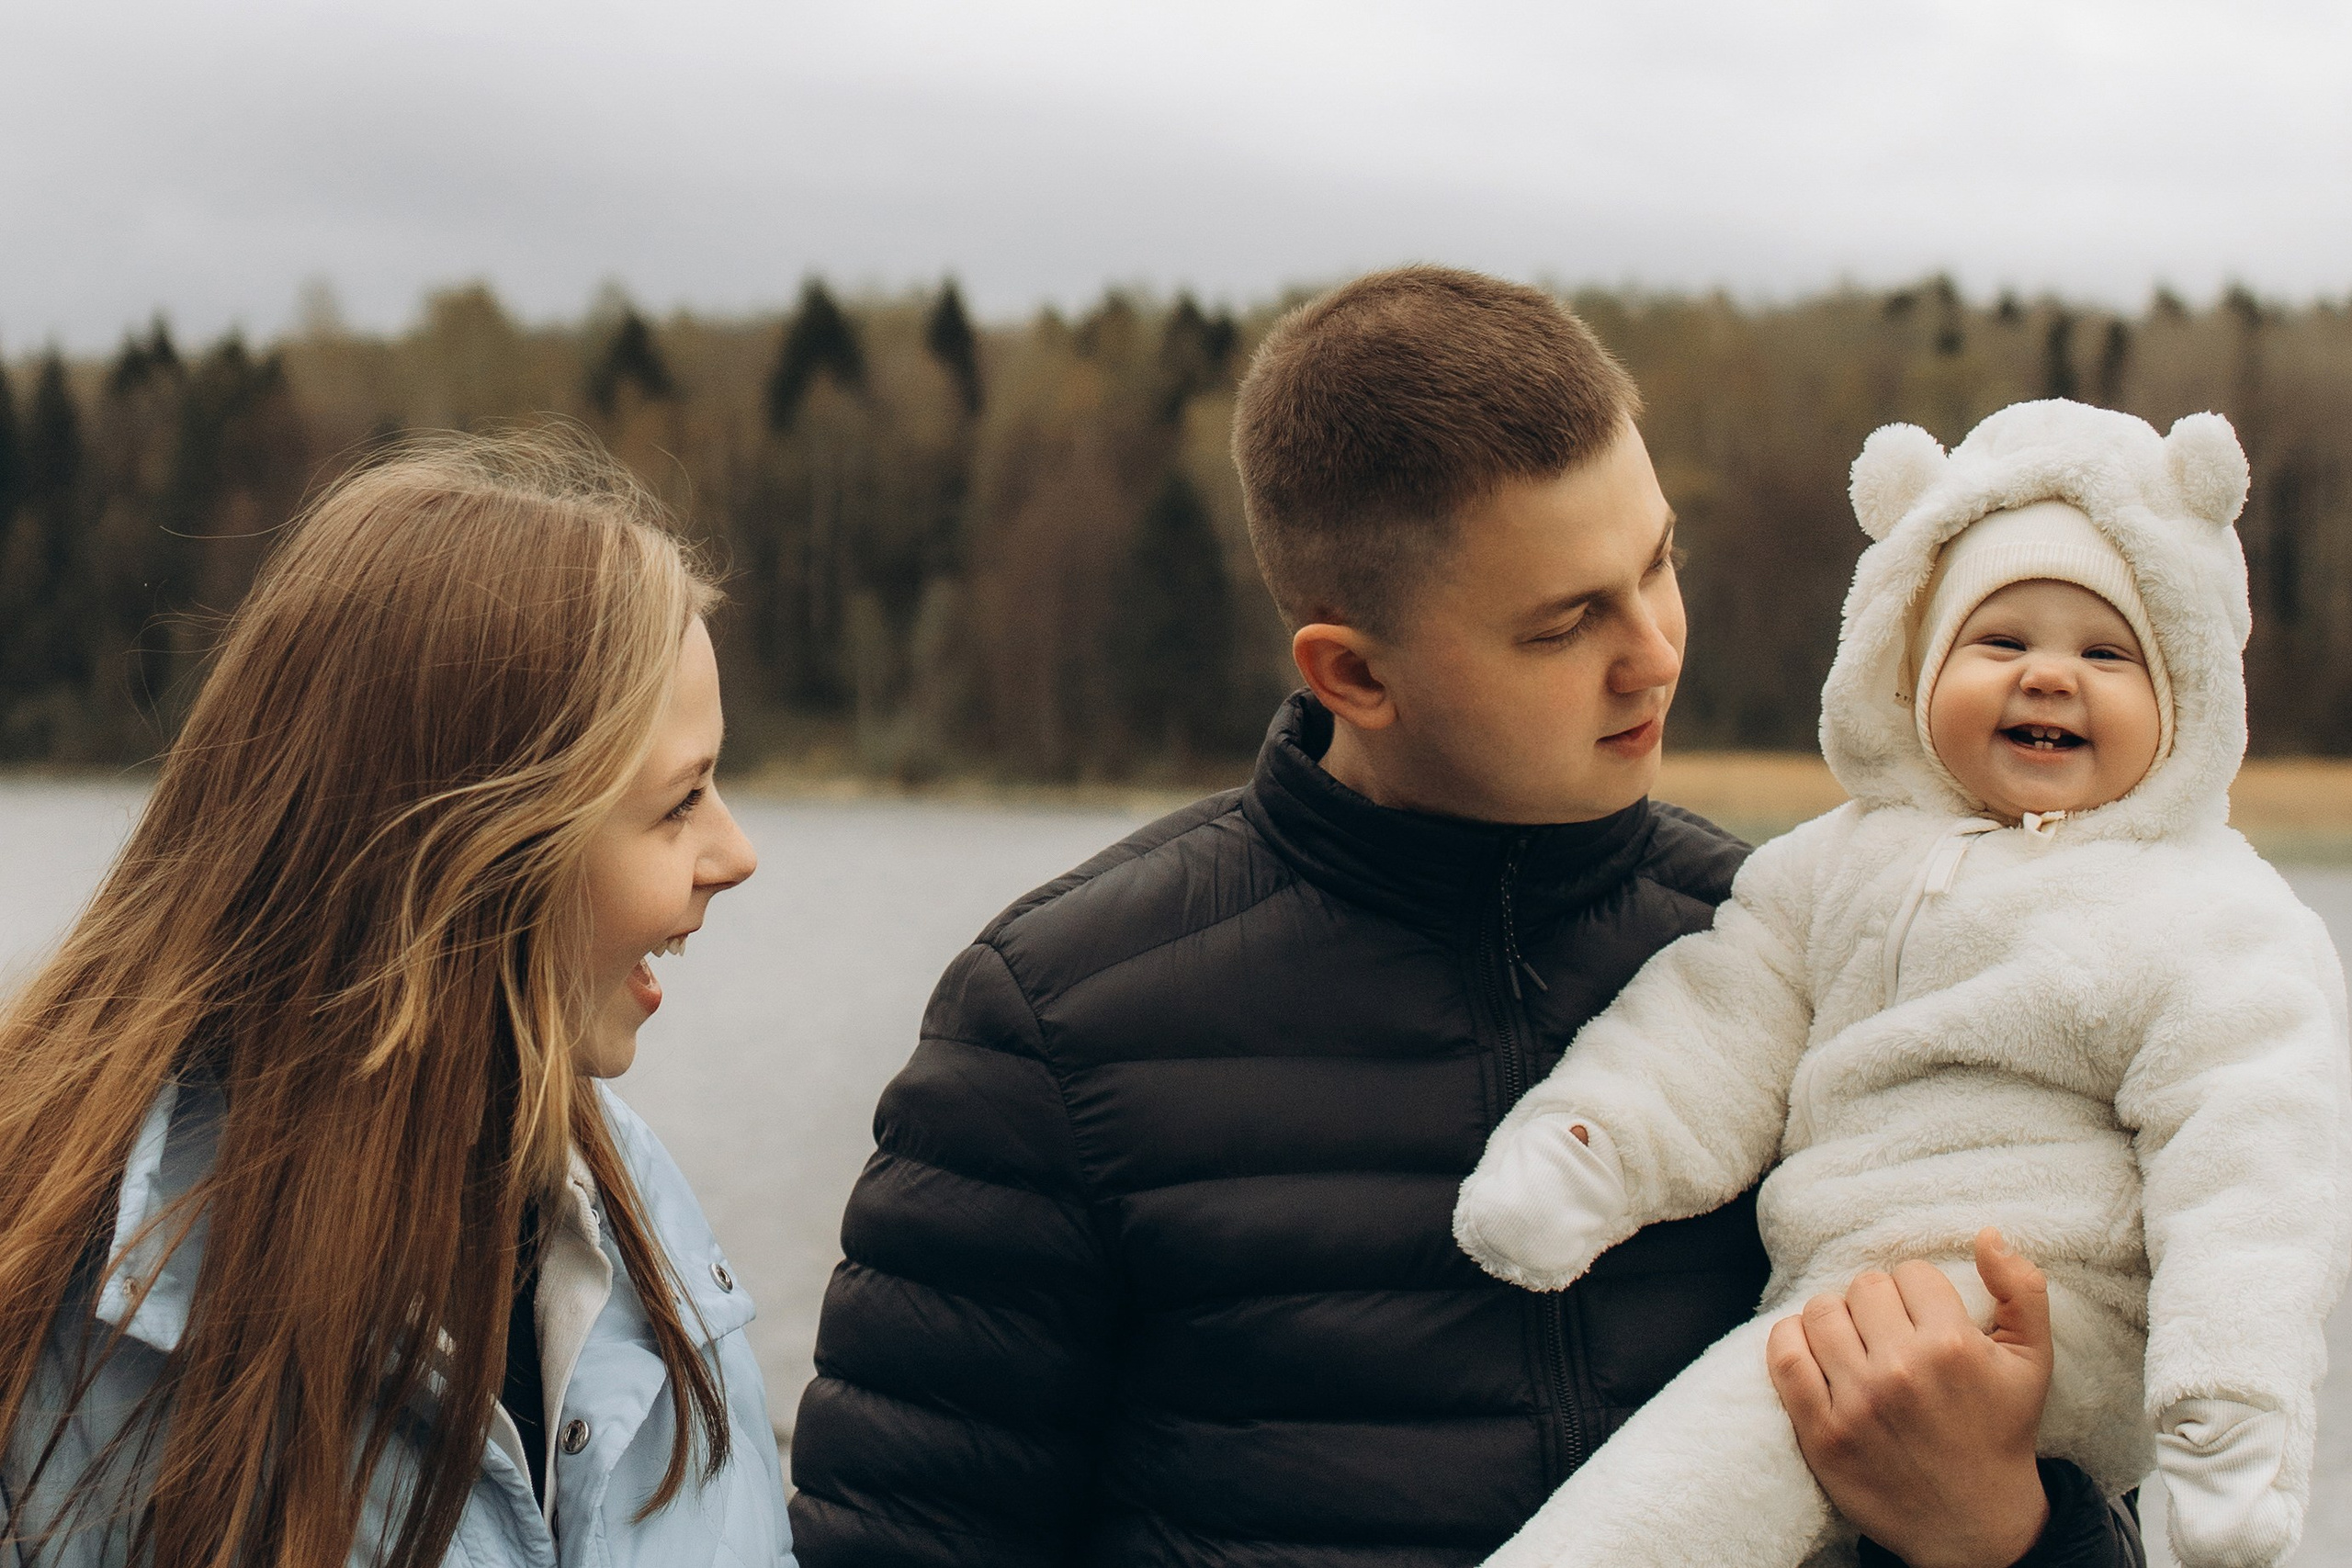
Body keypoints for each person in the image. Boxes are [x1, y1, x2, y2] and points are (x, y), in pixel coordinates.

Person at [789, 268, 2144, 1568]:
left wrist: (2002, 1536)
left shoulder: (1822, 956)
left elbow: (2062, 1479)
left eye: (1659, 561)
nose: (1657, 648)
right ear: (1354, 672)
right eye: (1565, 624)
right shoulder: (1054, 1028)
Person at [1453, 399, 2352, 1568]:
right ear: (1912, 670)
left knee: (1683, 1488)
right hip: (1843, 1296)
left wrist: (2229, 1413)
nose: (2049, 678)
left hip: (2038, 1309)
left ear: (2185, 696)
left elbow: (2252, 1167)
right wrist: (1592, 1143)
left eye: (2104, 652)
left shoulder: (2205, 913)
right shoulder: (1833, 867)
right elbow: (1716, 1023)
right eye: (1999, 641)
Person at [0, 433, 792, 1567]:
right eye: (680, 803)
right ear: (469, 865)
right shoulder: (67, 1304)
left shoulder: (638, 1219)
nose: (736, 852)